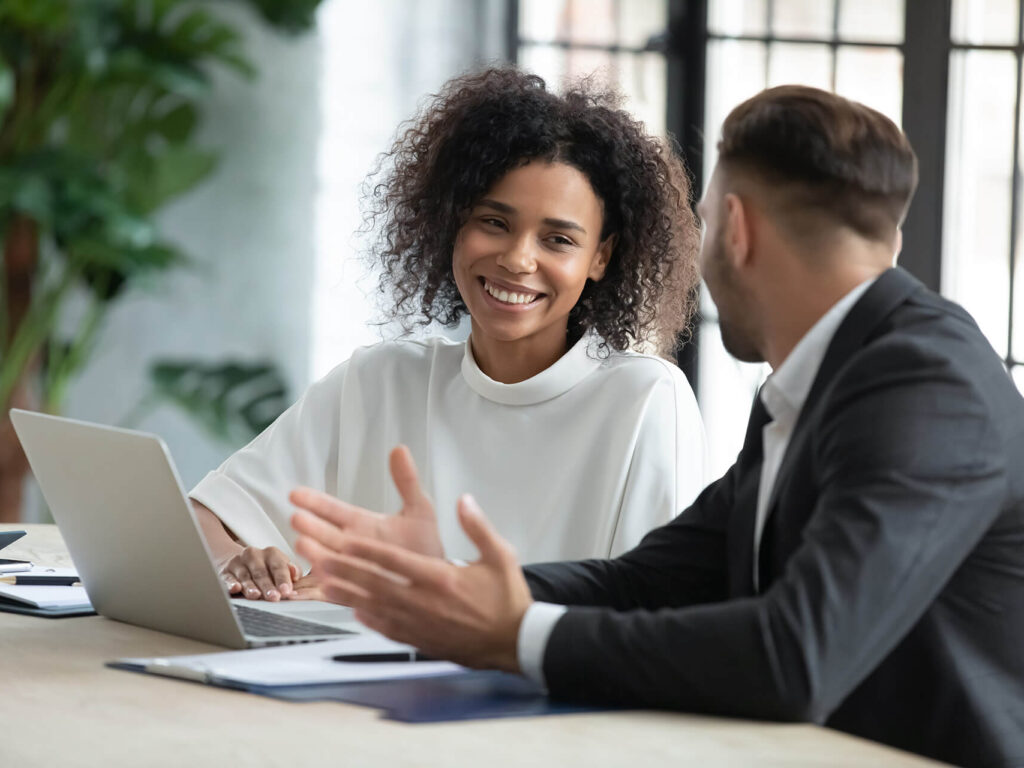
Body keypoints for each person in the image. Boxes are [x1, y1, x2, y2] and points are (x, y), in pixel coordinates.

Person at [290, 85, 1024, 768]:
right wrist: (449, 590)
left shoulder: (926, 386)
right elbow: (656, 580)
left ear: (734, 229)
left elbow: (793, 656)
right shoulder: (819, 383)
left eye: (702, 222)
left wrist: (516, 633)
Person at [190, 67, 708, 604]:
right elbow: (199, 516)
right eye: (495, 223)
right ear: (453, 222)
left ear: (600, 256)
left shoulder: (645, 402)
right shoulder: (380, 380)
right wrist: (235, 561)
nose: (517, 259)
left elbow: (654, 615)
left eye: (557, 239)